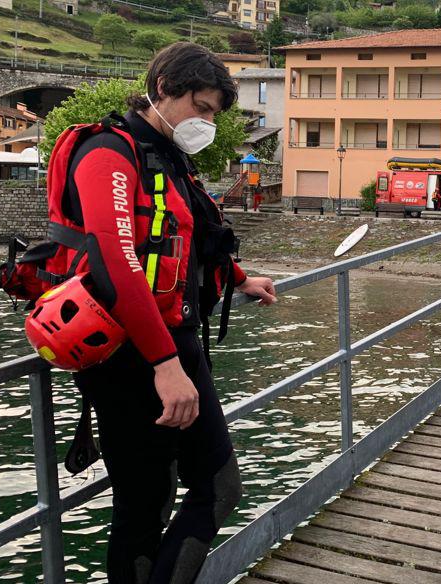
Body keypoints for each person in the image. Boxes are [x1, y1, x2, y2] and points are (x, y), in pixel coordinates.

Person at [57, 43, 278, 582]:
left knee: (218, 486)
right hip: (126, 356)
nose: (207, 122)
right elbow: (116, 262)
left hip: (175, 340)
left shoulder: (170, 157)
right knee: (145, 505)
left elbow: (188, 239)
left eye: (215, 113)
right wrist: (164, 364)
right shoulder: (108, 151)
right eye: (201, 108)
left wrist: (242, 278)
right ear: (163, 89)